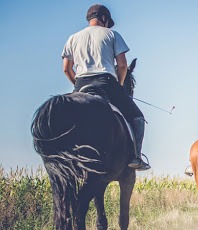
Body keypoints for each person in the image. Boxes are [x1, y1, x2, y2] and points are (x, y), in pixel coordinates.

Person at [61, 4, 150, 171]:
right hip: (106, 83)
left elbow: (66, 68)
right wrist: (120, 85)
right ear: (103, 19)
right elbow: (122, 65)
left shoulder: (73, 38)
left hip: (81, 84)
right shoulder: (112, 34)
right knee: (137, 117)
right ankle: (136, 157)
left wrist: (78, 86)